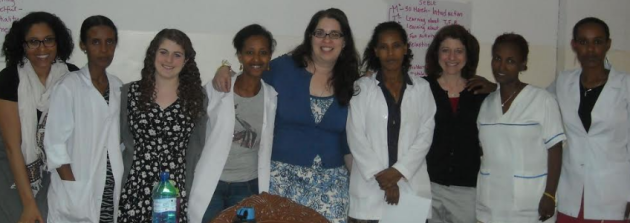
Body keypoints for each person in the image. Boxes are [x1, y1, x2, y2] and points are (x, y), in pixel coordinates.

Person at [212, 8, 360, 223]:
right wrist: (224, 68)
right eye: (320, 33)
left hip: (331, 186)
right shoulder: (283, 68)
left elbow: (349, 142)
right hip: (282, 181)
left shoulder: (352, 82)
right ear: (310, 37)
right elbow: (249, 77)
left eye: (335, 34)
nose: (327, 39)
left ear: (344, 41)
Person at [346, 21, 436, 223]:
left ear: (405, 48)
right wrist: (385, 179)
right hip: (371, 189)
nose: (391, 53)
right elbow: (356, 136)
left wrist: (398, 173)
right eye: (384, 47)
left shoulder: (422, 88)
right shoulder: (362, 88)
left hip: (411, 187)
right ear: (376, 51)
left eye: (396, 46)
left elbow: (425, 136)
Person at [188, 24, 278, 223]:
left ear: (270, 56)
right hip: (213, 184)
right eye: (249, 52)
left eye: (263, 52)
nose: (256, 59)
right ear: (239, 55)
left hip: (247, 187)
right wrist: (222, 68)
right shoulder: (219, 88)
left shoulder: (271, 96)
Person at [118, 28, 207, 223]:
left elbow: (198, 146)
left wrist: (226, 68)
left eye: (177, 55)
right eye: (163, 52)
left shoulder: (197, 98)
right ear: (153, 55)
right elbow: (115, 140)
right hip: (135, 188)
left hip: (176, 191)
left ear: (186, 61)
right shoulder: (129, 93)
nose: (169, 60)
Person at [476, 33, 564, 223]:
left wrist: (550, 194)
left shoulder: (542, 100)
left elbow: (555, 149)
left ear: (523, 65)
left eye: (510, 61)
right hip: (490, 202)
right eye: (497, 58)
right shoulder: (487, 104)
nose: (501, 66)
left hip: (531, 204)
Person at [550, 17, 630, 223]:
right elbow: (534, 102)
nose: (591, 49)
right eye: (583, 42)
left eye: (597, 41)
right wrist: (496, 90)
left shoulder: (625, 85)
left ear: (608, 44)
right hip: (571, 191)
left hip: (613, 194)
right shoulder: (563, 81)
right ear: (574, 45)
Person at [44, 15, 123, 222]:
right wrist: (73, 189)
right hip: (77, 187)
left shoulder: (118, 87)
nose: (104, 49)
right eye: (96, 42)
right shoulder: (69, 86)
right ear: (83, 45)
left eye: (110, 42)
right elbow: (54, 144)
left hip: (109, 187)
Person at [0, 11, 77, 223]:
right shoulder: (9, 79)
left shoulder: (72, 76)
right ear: (22, 45)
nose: (42, 49)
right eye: (33, 42)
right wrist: (28, 204)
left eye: (48, 40)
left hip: (55, 171)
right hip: (12, 173)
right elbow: (12, 147)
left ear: (58, 42)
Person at [423, 24, 487, 223]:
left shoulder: (480, 92)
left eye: (459, 51)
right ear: (437, 54)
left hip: (466, 189)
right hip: (427, 184)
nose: (452, 57)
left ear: (468, 55)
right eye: (445, 50)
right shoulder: (422, 88)